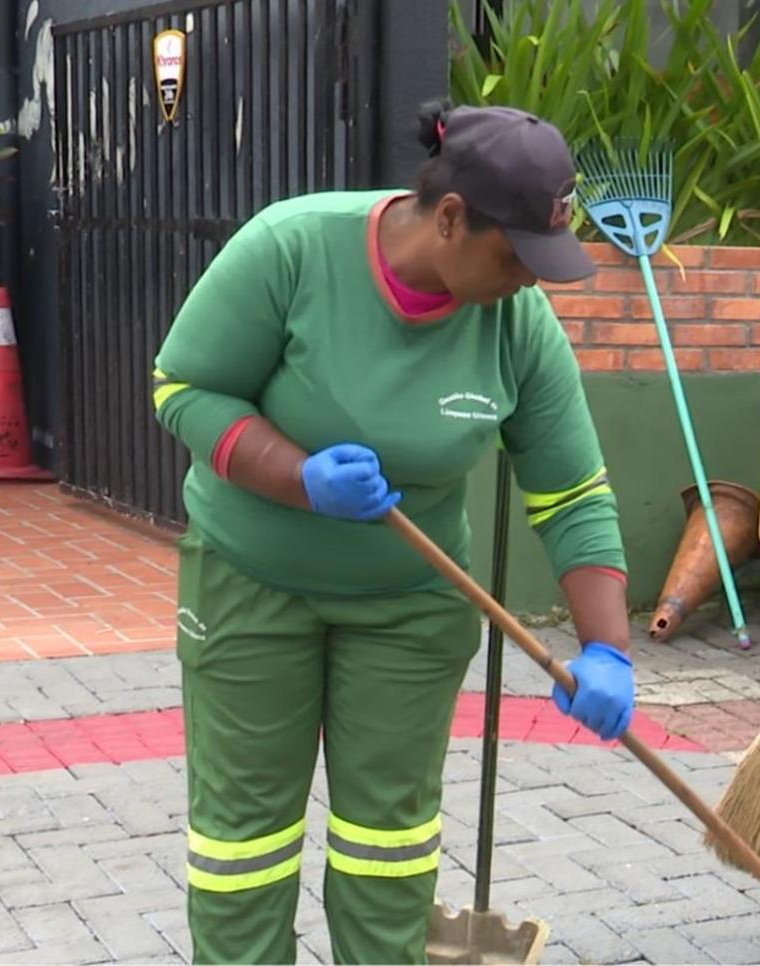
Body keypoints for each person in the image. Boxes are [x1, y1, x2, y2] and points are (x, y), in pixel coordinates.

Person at [151, 101, 636, 963]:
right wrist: (296, 476)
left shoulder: (516, 322)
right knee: (242, 845)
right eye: (516, 255)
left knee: (391, 844)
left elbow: (571, 492)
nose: (530, 279)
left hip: (411, 607)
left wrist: (608, 650)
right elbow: (184, 389)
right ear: (450, 219)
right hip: (251, 582)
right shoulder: (292, 249)